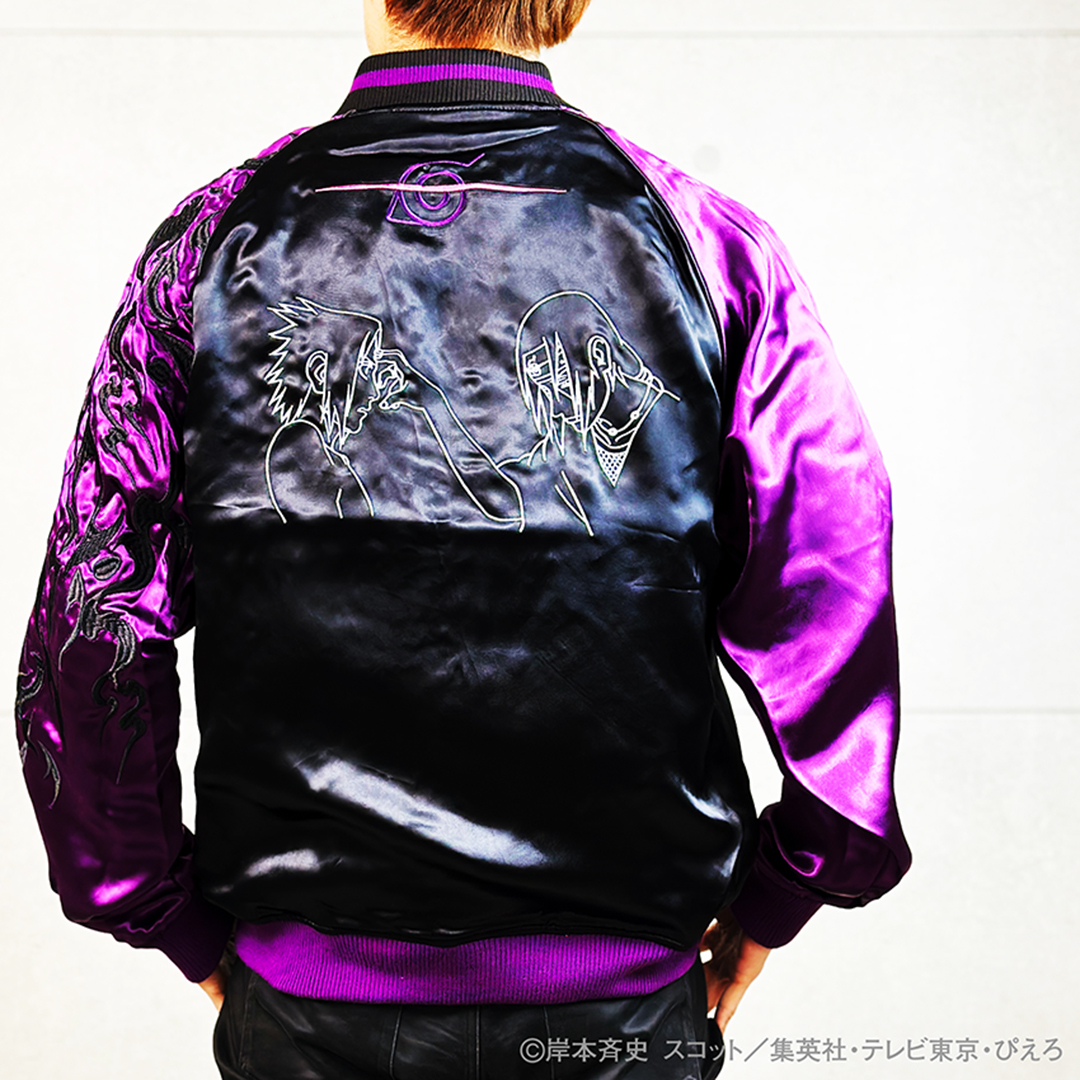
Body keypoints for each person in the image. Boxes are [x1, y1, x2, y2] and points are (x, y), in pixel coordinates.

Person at [14, 0, 912, 1076]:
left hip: (312, 1008)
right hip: (615, 1013)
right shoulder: (708, 249)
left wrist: (163, 910)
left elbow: (95, 619)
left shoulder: (212, 247)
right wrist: (787, 886)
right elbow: (834, 581)